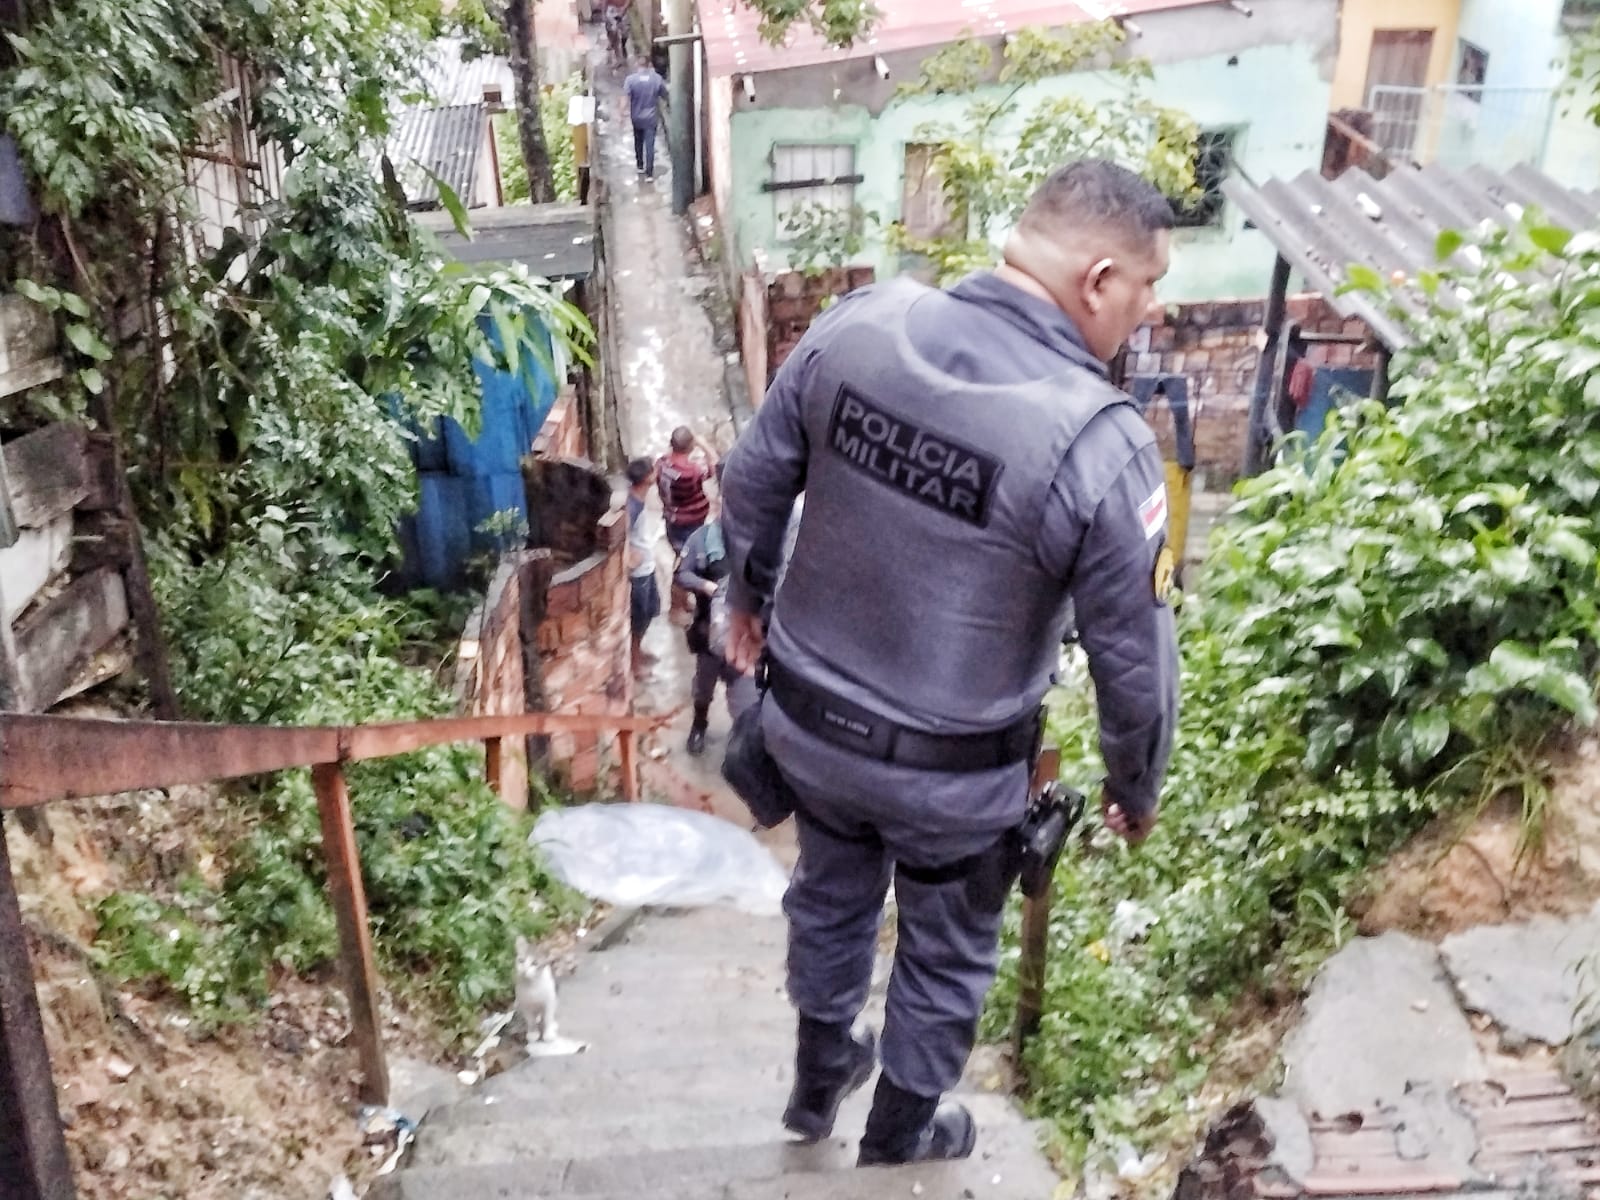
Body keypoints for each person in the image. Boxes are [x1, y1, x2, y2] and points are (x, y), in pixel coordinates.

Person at [718, 160, 1180, 1167]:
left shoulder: (859, 324)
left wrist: (745, 602)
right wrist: (1132, 785)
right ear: (1099, 280)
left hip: (809, 730)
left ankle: (816, 1078)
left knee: (831, 892)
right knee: (947, 942)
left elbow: (752, 479)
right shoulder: (1103, 445)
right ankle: (900, 1136)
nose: (1149, 311)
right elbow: (1131, 661)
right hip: (954, 779)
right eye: (1147, 287)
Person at [674, 484, 758, 756]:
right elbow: (681, 574)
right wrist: (705, 586)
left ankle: (744, 742)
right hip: (707, 633)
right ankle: (699, 726)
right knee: (703, 687)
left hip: (744, 636)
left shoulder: (757, 541)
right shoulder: (701, 540)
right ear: (718, 506)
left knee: (745, 696)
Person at [624, 457, 661, 679]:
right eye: (653, 470)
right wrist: (629, 556)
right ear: (647, 478)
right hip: (639, 574)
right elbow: (621, 535)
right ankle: (634, 665)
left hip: (648, 567)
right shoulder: (633, 507)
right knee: (639, 620)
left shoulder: (638, 499)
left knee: (648, 613)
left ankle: (637, 651)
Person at [656, 425, 718, 555]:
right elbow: (715, 464)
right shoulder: (692, 472)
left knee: (679, 550)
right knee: (693, 553)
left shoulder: (660, 463)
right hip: (691, 521)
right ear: (691, 446)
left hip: (671, 517)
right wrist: (704, 444)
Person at [622, 55, 668, 180]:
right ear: (649, 65)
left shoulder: (630, 80)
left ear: (637, 65)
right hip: (651, 118)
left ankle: (640, 165)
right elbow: (665, 95)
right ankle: (649, 174)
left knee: (638, 141)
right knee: (650, 145)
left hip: (636, 117)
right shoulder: (656, 79)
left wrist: (622, 113)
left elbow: (625, 99)